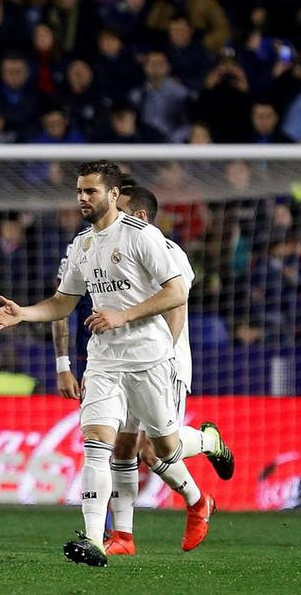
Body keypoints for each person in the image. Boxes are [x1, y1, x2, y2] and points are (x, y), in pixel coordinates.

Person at [0, 161, 212, 567]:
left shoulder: (143, 237)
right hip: (104, 361)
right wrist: (25, 313)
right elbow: (63, 302)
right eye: (79, 191)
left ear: (112, 195)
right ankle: (95, 538)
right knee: (97, 446)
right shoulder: (81, 245)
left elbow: (177, 292)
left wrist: (124, 316)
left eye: (90, 192)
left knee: (164, 449)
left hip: (150, 359)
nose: (82, 199)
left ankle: (208, 444)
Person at [102, 180, 235, 556]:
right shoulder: (114, 246)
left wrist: (161, 356)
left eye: (121, 208)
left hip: (164, 361)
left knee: (156, 450)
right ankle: (123, 537)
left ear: (140, 216)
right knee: (123, 447)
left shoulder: (164, 249)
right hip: (124, 358)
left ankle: (207, 449)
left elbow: (176, 306)